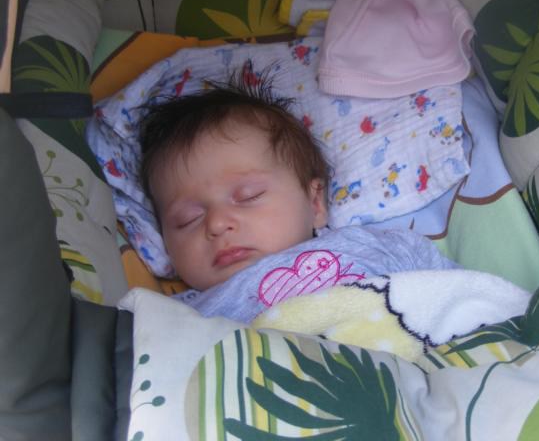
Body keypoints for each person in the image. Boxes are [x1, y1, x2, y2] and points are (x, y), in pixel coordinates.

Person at [140, 71, 458, 324]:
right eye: (188, 219)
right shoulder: (176, 317)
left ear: (315, 203)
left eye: (248, 196)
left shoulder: (363, 247)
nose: (217, 223)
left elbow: (455, 292)